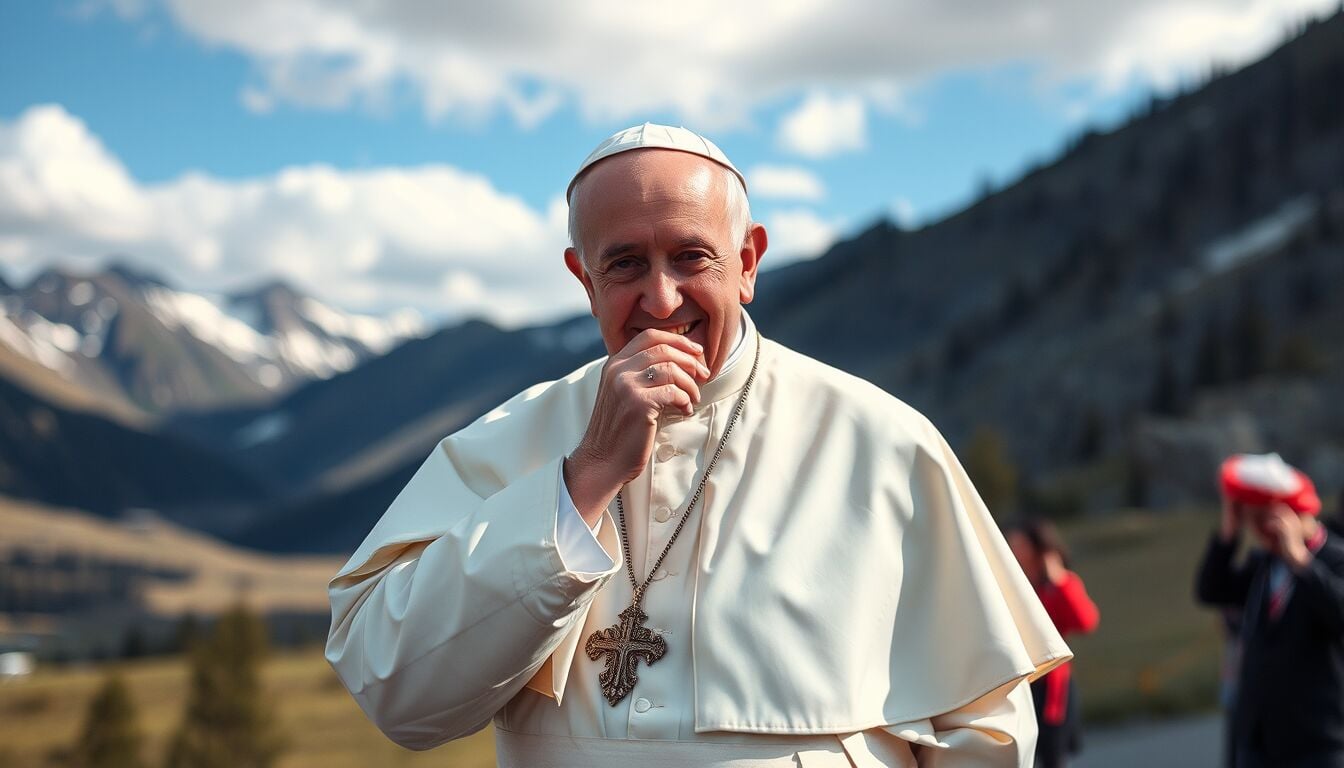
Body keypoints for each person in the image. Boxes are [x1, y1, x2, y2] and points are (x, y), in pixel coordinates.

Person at [326, 123, 1071, 767]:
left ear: (747, 262)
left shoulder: (885, 444)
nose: (661, 299)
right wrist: (579, 484)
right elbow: (399, 695)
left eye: (692, 257)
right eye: (623, 264)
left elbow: (984, 733)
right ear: (582, 277)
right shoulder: (502, 444)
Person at [1196, 452, 1344, 768]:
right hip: (1260, 743)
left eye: (1267, 519)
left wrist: (1301, 562)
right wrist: (1229, 533)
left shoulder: (1333, 559)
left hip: (1318, 741)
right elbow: (1211, 590)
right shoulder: (1263, 565)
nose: (1263, 532)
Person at [1006, 519, 1100, 768]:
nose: (1014, 551)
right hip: (1017, 683)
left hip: (1052, 686)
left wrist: (1058, 578)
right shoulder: (1010, 585)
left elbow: (1086, 621)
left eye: (1020, 545)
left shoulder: (1057, 586)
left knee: (1053, 757)